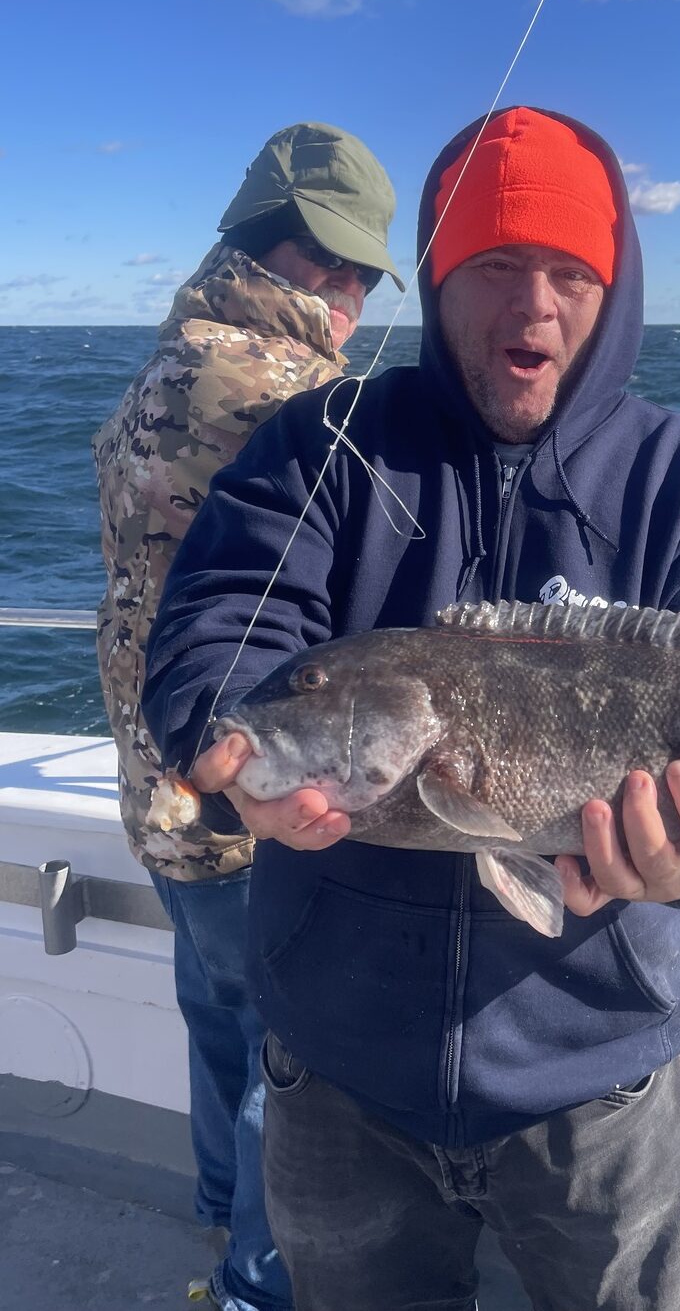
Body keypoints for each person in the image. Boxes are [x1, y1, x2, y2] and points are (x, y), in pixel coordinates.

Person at [143, 106, 680, 1311]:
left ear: (614, 291)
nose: (531, 309)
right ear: (437, 281)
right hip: (333, 1076)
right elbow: (220, 617)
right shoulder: (320, 445)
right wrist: (235, 736)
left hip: (601, 1087)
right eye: (494, 266)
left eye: (569, 273)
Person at [93, 121, 403, 1311]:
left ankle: (220, 1218)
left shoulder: (160, 368)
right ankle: (258, 1288)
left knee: (213, 1020)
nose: (356, 301)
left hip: (158, 798)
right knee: (291, 1059)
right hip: (251, 805)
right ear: (305, 265)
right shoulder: (304, 397)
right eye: (348, 273)